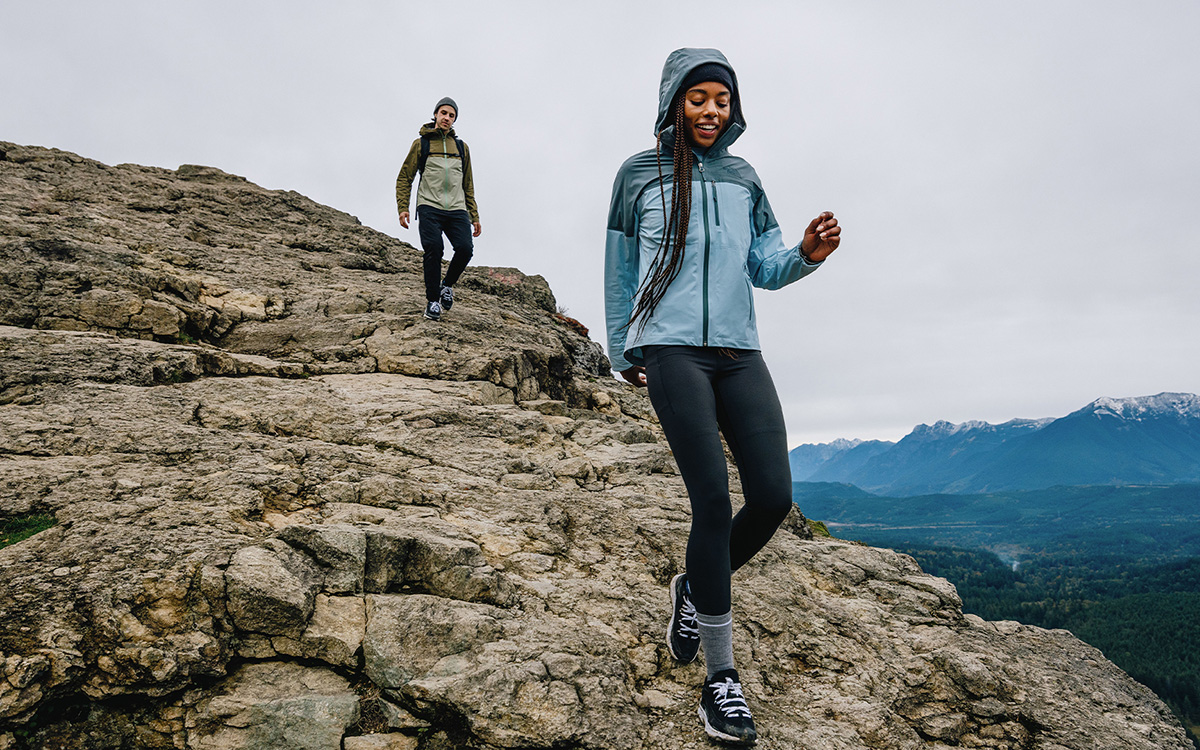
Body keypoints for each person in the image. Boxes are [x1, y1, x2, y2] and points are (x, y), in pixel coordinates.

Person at [604, 48, 842, 746]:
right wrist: (625, 349)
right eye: (699, 98)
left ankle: (694, 590)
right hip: (672, 352)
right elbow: (620, 266)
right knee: (710, 500)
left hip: (741, 353)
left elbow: (763, 265)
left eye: (723, 100)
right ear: (675, 101)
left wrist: (805, 254)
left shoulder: (744, 178)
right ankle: (720, 678)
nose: (712, 110)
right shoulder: (637, 176)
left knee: (771, 497)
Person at [395, 96, 482, 321]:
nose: (447, 118)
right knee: (434, 249)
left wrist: (474, 215)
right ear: (435, 114)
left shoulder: (462, 148)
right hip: (429, 206)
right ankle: (433, 301)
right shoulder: (421, 144)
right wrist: (402, 207)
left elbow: (468, 184)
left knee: (465, 249)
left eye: (451, 115)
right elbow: (405, 177)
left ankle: (447, 285)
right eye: (443, 113)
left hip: (457, 208)